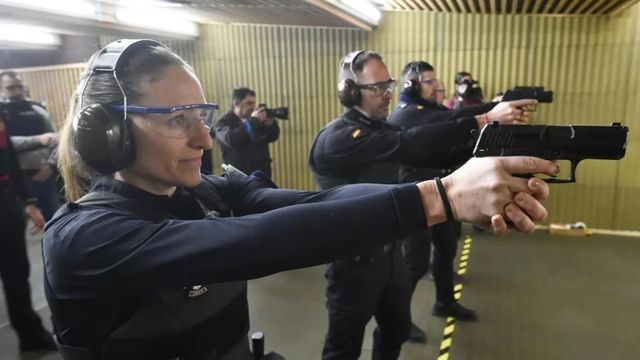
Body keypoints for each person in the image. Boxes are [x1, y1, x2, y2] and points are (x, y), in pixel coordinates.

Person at [44, 39, 555, 360]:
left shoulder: (204, 192)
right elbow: (257, 242)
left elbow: (312, 206)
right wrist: (437, 198)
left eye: (201, 116)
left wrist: (445, 195)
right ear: (108, 133)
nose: (204, 140)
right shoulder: (84, 239)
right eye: (178, 119)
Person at [308, 51, 536, 358]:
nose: (386, 93)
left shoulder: (381, 128)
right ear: (350, 91)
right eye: (377, 87)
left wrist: (491, 139)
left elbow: (435, 150)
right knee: (342, 350)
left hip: (389, 255)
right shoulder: (338, 138)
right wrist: (483, 118)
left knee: (396, 331)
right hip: (353, 263)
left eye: (387, 84)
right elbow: (412, 142)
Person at [387, 61, 533, 339]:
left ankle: (444, 302)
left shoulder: (431, 111)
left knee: (446, 248)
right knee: (415, 262)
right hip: (414, 192)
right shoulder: (405, 115)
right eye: (429, 81)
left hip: (442, 189)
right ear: (411, 84)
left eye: (435, 80)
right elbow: (445, 124)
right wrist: (490, 111)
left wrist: (494, 118)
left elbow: (453, 130)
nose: (437, 85)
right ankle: (398, 322)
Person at [0, 111, 56, 352]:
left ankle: (30, 334)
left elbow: (9, 155)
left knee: (16, 270)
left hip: (5, 198)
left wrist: (28, 200)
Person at [1, 70, 62, 220]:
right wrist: (37, 139)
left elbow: (56, 140)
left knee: (55, 220)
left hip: (44, 175)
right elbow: (6, 145)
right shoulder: (2, 114)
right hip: (15, 181)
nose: (16, 91)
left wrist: (51, 166)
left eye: (19, 86)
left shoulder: (38, 110)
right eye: (10, 88)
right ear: (2, 89)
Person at [214, 87, 280, 179]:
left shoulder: (256, 120)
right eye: (249, 103)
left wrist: (271, 123)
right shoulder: (223, 122)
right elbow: (232, 139)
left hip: (261, 175)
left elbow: (273, 137)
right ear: (236, 103)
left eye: (254, 103)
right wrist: (253, 121)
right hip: (238, 177)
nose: (253, 107)